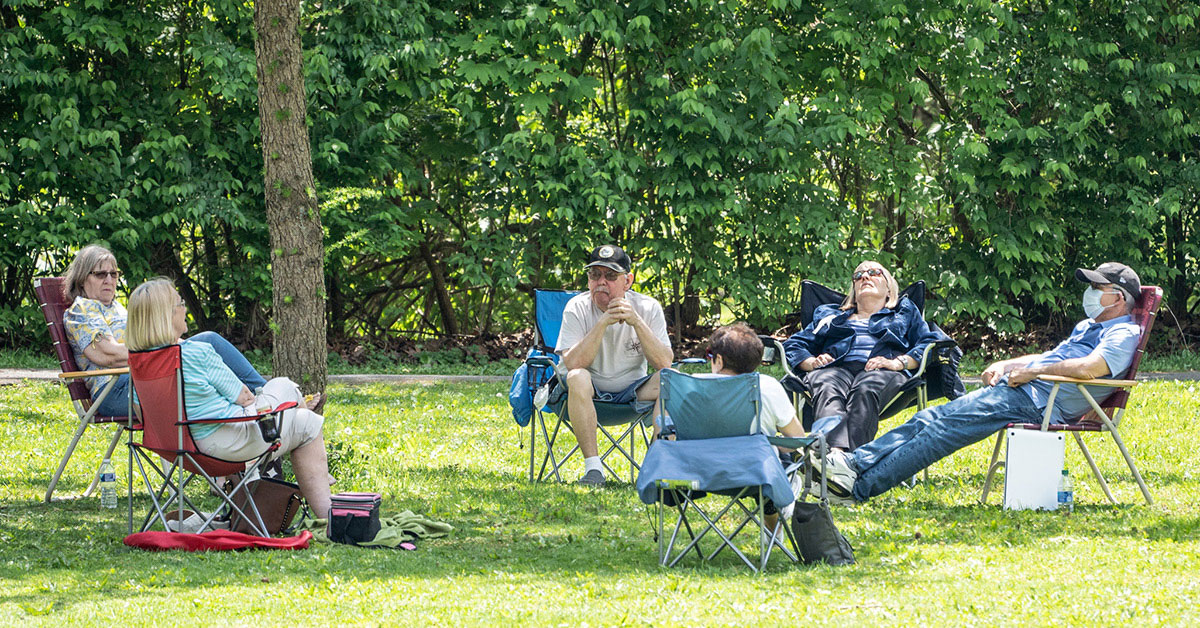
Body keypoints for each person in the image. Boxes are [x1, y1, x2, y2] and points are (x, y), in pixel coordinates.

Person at [818, 262, 1143, 505]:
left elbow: (1091, 368)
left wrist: (1031, 373)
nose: (1091, 293)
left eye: (1098, 288)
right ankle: (852, 465)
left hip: (1044, 402)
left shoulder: (1122, 332)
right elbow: (1048, 355)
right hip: (1027, 391)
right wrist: (1007, 364)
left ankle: (856, 485)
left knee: (939, 433)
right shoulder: (1089, 326)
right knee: (927, 418)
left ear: (1118, 297)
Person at [126, 278, 332, 518]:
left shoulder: (138, 363)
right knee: (283, 385)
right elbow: (244, 398)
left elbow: (142, 414)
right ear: (167, 315)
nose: (184, 308)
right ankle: (328, 516)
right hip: (227, 447)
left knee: (306, 422)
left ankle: (325, 512)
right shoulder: (197, 353)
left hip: (178, 452)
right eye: (180, 303)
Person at [61, 244, 274, 417]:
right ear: (82, 277)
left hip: (144, 376)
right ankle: (268, 399)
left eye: (114, 274)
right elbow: (109, 355)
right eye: (100, 274)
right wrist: (168, 353)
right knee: (203, 351)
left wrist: (173, 349)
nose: (109, 280)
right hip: (115, 389)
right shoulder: (82, 310)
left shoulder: (117, 307)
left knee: (208, 343)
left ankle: (260, 400)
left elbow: (149, 341)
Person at [782, 260, 946, 451]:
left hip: (882, 369)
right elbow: (794, 344)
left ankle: (836, 460)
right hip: (835, 368)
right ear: (854, 291)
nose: (865, 277)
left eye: (874, 272)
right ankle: (839, 458)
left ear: (889, 289)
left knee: (866, 388)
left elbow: (928, 342)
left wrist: (897, 363)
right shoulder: (829, 315)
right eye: (858, 276)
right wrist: (811, 362)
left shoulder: (904, 311)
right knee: (826, 385)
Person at [556, 244, 674, 487]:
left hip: (632, 394)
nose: (601, 282)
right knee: (577, 375)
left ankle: (657, 467)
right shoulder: (577, 307)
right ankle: (593, 470)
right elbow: (573, 363)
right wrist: (602, 323)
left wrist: (636, 322)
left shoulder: (647, 307)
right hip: (583, 394)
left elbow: (664, 362)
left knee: (670, 379)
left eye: (610, 276)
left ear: (627, 281)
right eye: (594, 275)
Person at [654, 323, 804, 441]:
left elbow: (666, 433)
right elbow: (796, 438)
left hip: (696, 473)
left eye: (710, 355)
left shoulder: (688, 386)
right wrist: (772, 444)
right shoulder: (768, 387)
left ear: (719, 360)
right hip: (753, 475)